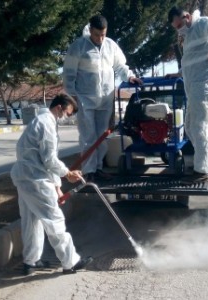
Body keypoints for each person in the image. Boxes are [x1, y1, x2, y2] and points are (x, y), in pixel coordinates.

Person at [10, 93, 93, 275]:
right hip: (36, 180)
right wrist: (67, 173)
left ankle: (30, 262)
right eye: (68, 113)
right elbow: (49, 160)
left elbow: (44, 159)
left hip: (26, 178)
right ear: (59, 108)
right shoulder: (46, 124)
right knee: (55, 221)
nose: (68, 117)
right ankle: (70, 262)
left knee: (31, 222)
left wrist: (57, 186)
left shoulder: (42, 122)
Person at [63, 14, 143, 182]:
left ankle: (98, 168)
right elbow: (69, 74)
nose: (100, 38)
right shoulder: (78, 47)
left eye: (103, 34)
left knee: (101, 136)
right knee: (88, 137)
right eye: (97, 34)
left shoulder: (110, 46)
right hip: (84, 99)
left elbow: (120, 65)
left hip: (105, 98)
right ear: (90, 30)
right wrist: (72, 96)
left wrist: (129, 77)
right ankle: (89, 171)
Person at [167, 6, 208, 183]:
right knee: (189, 126)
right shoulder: (188, 38)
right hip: (194, 85)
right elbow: (191, 61)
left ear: (187, 17)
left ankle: (202, 172)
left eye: (179, 25)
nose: (179, 29)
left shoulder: (202, 24)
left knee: (200, 125)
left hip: (205, 82)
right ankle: (204, 159)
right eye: (176, 27)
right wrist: (179, 73)